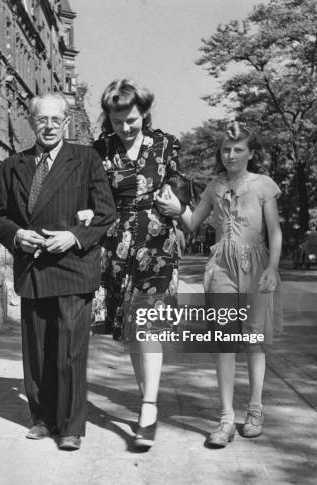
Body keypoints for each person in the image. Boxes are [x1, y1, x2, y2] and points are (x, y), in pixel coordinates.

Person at [0, 93, 115, 451]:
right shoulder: (14, 165)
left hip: (73, 268)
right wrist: (16, 235)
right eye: (41, 119)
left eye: (55, 120)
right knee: (38, 351)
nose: (48, 126)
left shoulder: (86, 159)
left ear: (67, 123)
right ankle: (42, 419)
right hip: (32, 269)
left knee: (70, 352)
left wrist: (74, 237)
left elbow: (105, 214)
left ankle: (72, 426)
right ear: (32, 122)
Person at [157, 122, 283, 447]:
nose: (231, 155)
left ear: (251, 153)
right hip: (221, 267)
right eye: (226, 149)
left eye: (238, 149)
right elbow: (193, 222)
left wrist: (272, 267)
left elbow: (275, 230)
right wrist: (176, 208)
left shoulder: (263, 185)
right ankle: (226, 417)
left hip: (255, 265)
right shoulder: (214, 186)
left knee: (254, 340)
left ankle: (254, 410)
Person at [86, 79, 184, 450]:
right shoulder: (98, 150)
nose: (125, 128)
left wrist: (179, 208)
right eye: (116, 121)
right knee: (131, 333)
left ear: (144, 112)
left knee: (148, 328)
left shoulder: (166, 144)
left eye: (131, 119)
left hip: (156, 245)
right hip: (114, 248)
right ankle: (149, 402)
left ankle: (147, 407)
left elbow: (179, 187)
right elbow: (94, 196)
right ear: (107, 118)